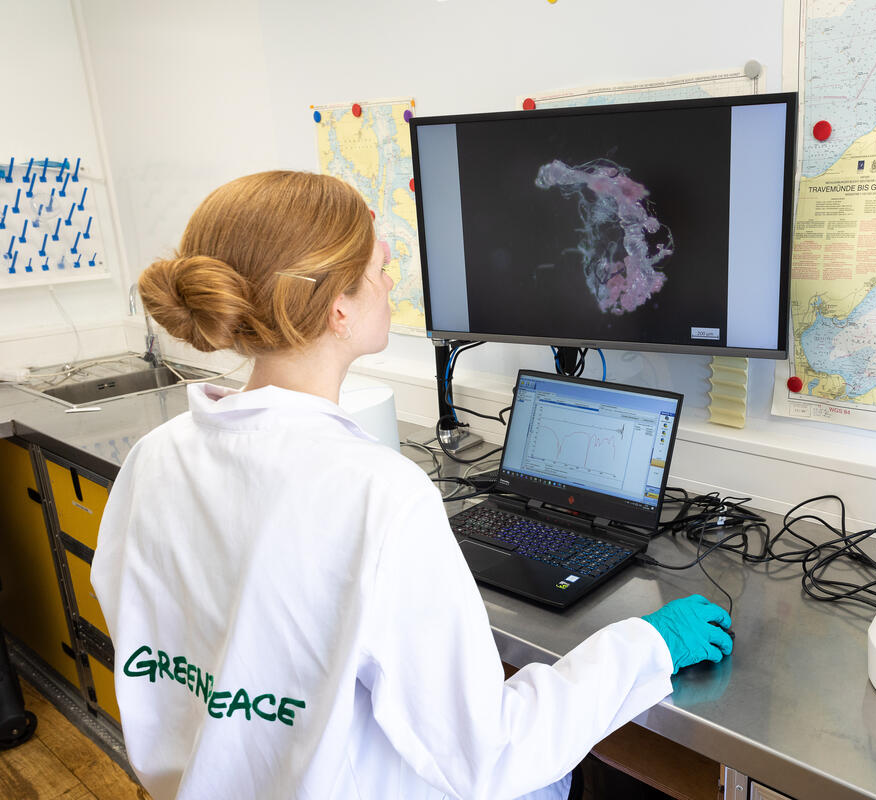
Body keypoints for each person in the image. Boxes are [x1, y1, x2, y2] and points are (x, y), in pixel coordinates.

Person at [91, 170, 733, 800]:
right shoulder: (378, 494)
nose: (391, 280)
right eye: (378, 271)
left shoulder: (156, 456)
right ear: (338, 308)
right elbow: (489, 755)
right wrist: (648, 644)